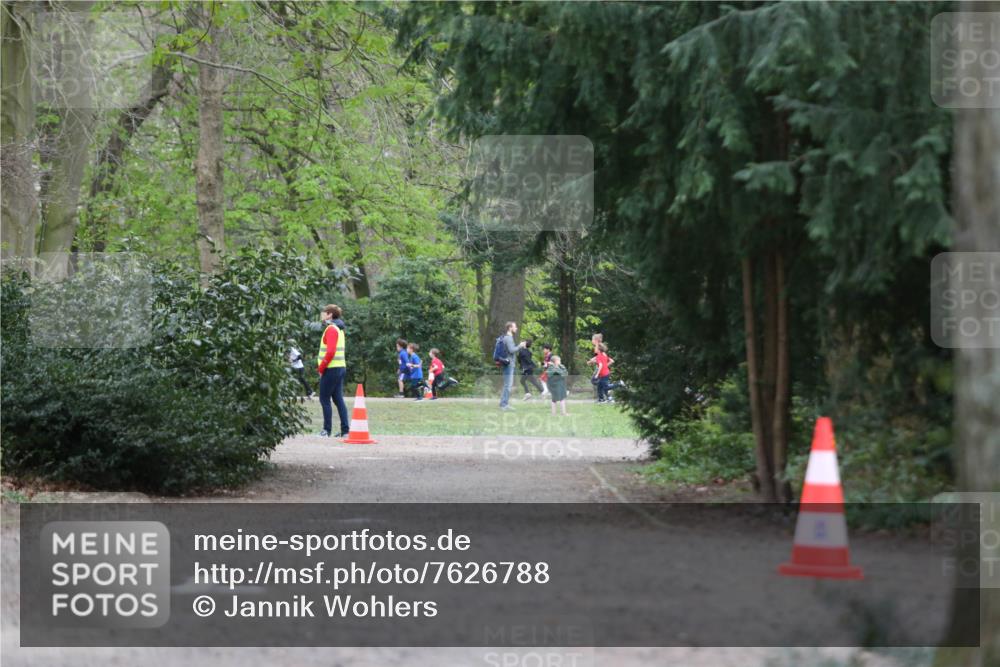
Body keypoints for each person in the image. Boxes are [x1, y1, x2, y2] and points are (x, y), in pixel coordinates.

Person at [316, 304, 349, 437]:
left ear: (329, 314)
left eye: (324, 312)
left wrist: (321, 367)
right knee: (338, 399)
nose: (322, 315)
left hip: (331, 368)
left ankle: (326, 430)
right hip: (340, 367)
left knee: (324, 399)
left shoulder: (331, 329)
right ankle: (345, 431)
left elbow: (330, 352)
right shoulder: (339, 328)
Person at [496, 321, 519, 410]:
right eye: (515, 327)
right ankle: (503, 405)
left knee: (508, 385)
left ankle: (504, 403)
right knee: (508, 385)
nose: (516, 328)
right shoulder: (508, 338)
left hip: (508, 364)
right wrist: (520, 346)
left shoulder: (507, 338)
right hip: (508, 364)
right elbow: (512, 350)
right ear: (510, 328)